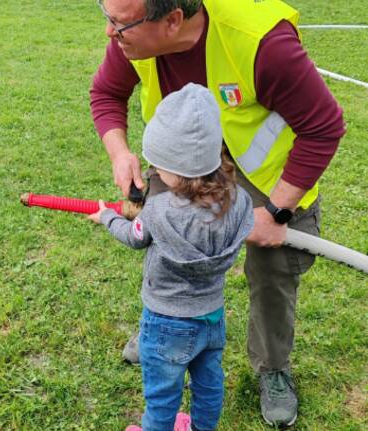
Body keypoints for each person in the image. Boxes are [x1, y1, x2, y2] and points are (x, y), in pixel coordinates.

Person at [90, 0, 345, 427]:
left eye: (120, 23)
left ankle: (272, 367)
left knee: (273, 270)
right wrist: (119, 154)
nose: (110, 33)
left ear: (172, 20)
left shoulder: (263, 43)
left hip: (269, 175)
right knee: (166, 242)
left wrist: (278, 210)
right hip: (182, 165)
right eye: (108, 17)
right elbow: (107, 93)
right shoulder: (129, 38)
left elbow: (323, 126)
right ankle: (163, 330)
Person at [88, 83, 254, 431]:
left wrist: (107, 217)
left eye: (157, 164)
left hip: (166, 323)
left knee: (162, 394)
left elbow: (134, 238)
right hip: (211, 318)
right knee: (208, 383)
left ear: (175, 166)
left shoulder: (159, 210)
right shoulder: (237, 202)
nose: (154, 171)